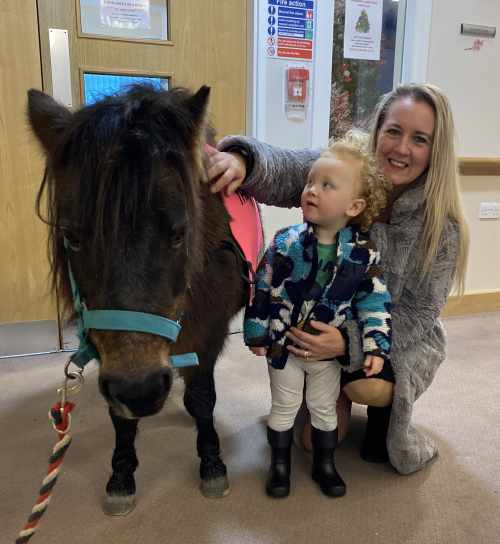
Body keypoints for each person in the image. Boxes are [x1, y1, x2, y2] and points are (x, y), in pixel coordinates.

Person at [206, 83, 469, 475]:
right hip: (320, 322)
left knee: (370, 388)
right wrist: (243, 160)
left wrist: (349, 342)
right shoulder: (346, 170)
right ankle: (333, 392)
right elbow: (289, 167)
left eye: (419, 139)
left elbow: (419, 314)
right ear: (378, 130)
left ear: (435, 150)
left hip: (393, 336)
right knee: (312, 443)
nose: (401, 148)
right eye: (394, 131)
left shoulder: (441, 227)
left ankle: (384, 410)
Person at [244, 135, 392, 498]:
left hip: (327, 355)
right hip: (285, 347)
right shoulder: (284, 243)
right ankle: (279, 467)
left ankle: (326, 465)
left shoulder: (363, 255)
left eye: (327, 185)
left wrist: (376, 347)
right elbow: (261, 288)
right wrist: (256, 332)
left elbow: (374, 304)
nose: (312, 190)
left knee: (323, 409)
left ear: (354, 205)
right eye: (311, 181)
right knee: (283, 407)